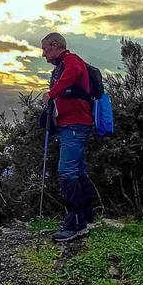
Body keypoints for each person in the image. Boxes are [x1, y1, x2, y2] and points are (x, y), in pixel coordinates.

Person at [39, 32, 97, 242]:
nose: (44, 55)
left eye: (45, 49)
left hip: (75, 124)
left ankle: (75, 224)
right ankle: (87, 216)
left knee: (67, 172)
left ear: (55, 46)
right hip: (70, 124)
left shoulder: (72, 61)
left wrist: (50, 94)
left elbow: (70, 77)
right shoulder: (60, 67)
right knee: (78, 170)